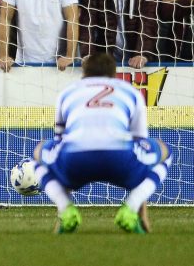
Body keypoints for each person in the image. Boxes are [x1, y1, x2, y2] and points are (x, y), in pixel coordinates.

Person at [32, 53, 172, 233]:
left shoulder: (67, 92)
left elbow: (59, 140)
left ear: (83, 73)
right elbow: (140, 142)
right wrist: (142, 213)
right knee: (164, 151)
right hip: (121, 160)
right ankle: (131, 207)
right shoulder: (130, 91)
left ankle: (66, 210)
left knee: (38, 154)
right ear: (114, 74)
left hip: (75, 160)